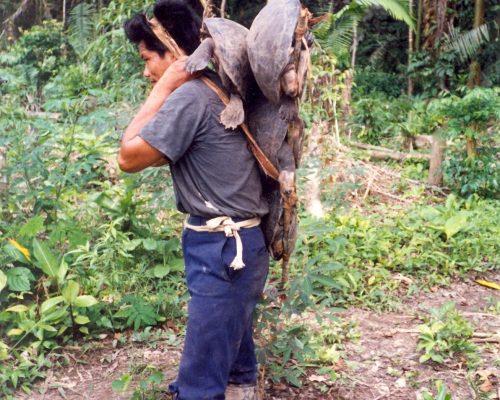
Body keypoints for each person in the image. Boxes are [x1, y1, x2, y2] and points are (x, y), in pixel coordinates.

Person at [118, 1, 269, 399]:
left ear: (174, 55)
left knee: (200, 383)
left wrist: (166, 85)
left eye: (149, 58)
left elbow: (128, 156)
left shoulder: (190, 97)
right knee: (233, 360)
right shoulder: (215, 88)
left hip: (224, 252)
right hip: (236, 247)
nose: (146, 70)